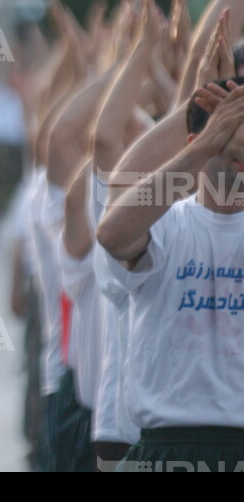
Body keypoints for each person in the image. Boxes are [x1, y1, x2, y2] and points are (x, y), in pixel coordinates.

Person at [97, 75, 244, 471]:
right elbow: (112, 234)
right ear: (196, 144)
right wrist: (209, 144)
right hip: (165, 450)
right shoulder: (165, 224)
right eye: (229, 130)